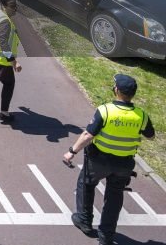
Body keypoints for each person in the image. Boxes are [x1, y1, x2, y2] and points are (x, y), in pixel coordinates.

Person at [65, 74, 155, 245]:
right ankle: (106, 236)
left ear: (116, 91)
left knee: (86, 184)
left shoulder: (105, 110)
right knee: (114, 197)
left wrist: (72, 151)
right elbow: (150, 136)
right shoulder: (141, 115)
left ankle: (84, 221)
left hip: (99, 160)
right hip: (123, 164)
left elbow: (88, 135)